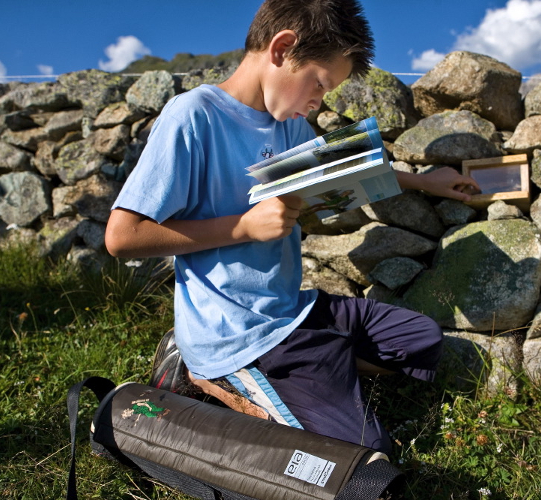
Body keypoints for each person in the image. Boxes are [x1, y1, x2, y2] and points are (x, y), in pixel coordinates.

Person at [105, 0, 480, 455]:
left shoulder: (292, 127)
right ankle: (205, 374)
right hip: (236, 335)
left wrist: (425, 181)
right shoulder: (194, 115)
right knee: (363, 454)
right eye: (319, 84)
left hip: (292, 310)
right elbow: (122, 237)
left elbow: (349, 171)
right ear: (282, 49)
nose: (318, 102)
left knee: (422, 340)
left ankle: (321, 368)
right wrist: (243, 228)